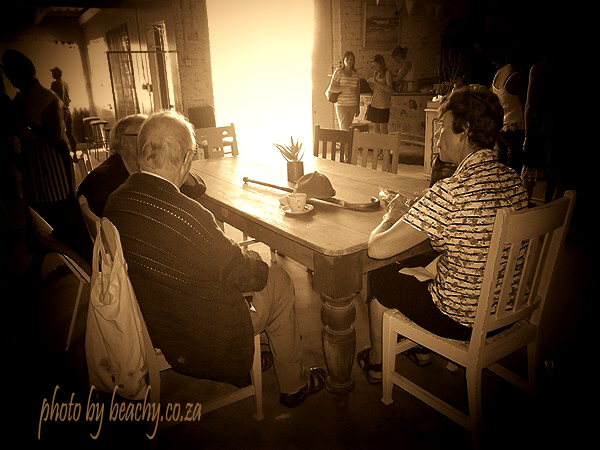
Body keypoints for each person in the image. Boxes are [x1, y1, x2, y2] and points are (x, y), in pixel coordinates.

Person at [103, 110, 326, 407]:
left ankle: (271, 347)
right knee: (279, 280)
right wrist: (251, 259)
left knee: (252, 268)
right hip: (197, 328)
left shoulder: (117, 200)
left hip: (151, 314)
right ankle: (294, 385)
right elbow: (250, 276)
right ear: (185, 160)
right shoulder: (188, 216)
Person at [357, 86, 528, 383]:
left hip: (464, 320)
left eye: (443, 128)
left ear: (465, 132)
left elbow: (377, 248)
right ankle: (422, 351)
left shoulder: (452, 191)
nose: (437, 137)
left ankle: (376, 364)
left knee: (382, 276)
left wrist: (392, 215)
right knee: (423, 263)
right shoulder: (514, 180)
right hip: (509, 309)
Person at [1, 49, 90, 276]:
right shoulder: (23, 98)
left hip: (51, 168)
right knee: (38, 216)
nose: (9, 79)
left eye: (10, 73)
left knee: (60, 214)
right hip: (35, 167)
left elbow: (53, 137)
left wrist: (20, 122)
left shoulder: (47, 98)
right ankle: (41, 266)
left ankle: (76, 260)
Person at [491, 49, 527, 174]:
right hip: (515, 125)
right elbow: (525, 103)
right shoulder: (515, 77)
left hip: (502, 124)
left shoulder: (497, 77)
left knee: (501, 161)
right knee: (513, 165)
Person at [327, 50, 360, 131]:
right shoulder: (339, 72)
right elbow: (331, 88)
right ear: (343, 60)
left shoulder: (355, 75)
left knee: (349, 129)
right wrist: (345, 88)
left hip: (352, 104)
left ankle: (347, 144)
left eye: (351, 59)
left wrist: (357, 107)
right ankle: (343, 144)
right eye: (347, 59)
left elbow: (357, 92)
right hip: (342, 104)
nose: (349, 61)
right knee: (344, 129)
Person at [50, 66, 77, 156]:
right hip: (68, 111)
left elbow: (53, 98)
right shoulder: (65, 83)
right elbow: (68, 99)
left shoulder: (54, 84)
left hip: (61, 111)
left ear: (58, 74)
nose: (52, 74)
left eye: (53, 73)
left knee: (59, 134)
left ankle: (62, 155)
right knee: (70, 133)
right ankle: (75, 153)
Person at [366, 54, 393, 134]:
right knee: (376, 129)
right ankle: (377, 146)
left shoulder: (387, 73)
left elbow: (389, 90)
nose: (374, 68)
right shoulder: (375, 73)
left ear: (381, 64)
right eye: (373, 66)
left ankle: (385, 146)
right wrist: (370, 84)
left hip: (383, 105)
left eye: (375, 66)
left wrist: (376, 82)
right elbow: (376, 88)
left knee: (384, 129)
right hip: (375, 103)